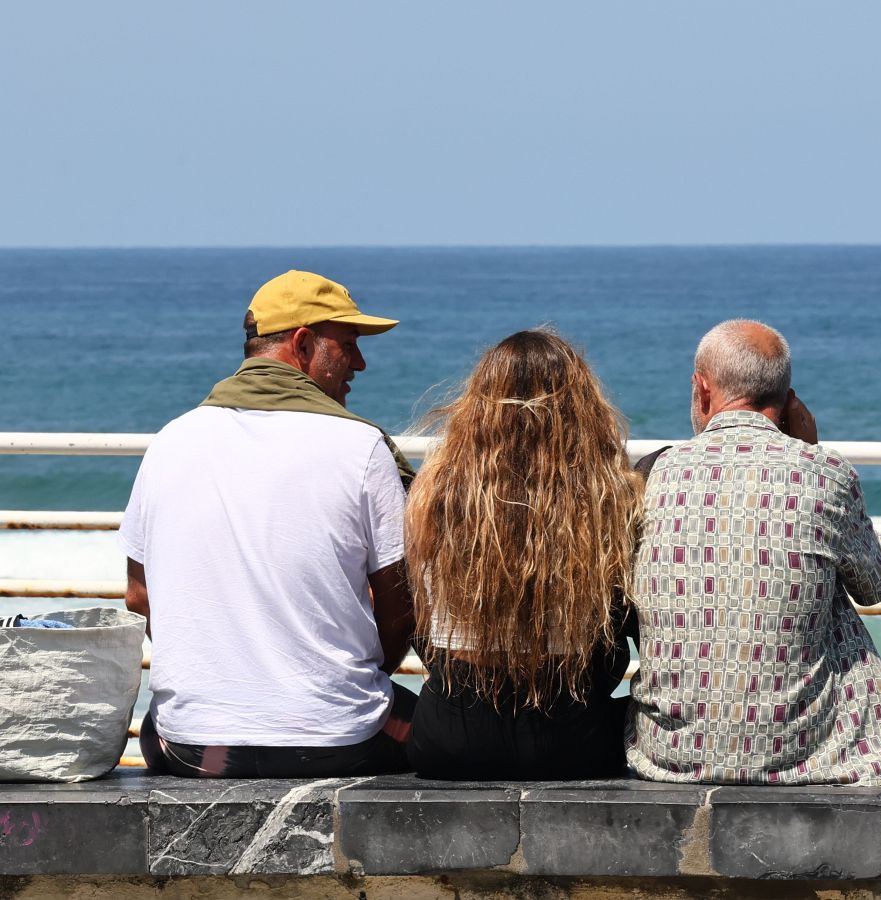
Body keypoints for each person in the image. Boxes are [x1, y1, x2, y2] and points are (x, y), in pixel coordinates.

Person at [120, 270, 418, 778]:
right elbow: (402, 603)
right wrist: (353, 683)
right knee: (439, 729)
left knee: (159, 727)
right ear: (303, 344)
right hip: (341, 744)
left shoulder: (171, 440)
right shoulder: (362, 448)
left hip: (198, 753)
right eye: (348, 344)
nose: (360, 363)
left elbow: (139, 598)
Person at [626, 319, 881, 790]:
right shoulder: (823, 473)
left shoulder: (653, 477)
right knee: (830, 591)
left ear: (702, 389)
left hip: (669, 754)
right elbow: (875, 584)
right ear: (790, 400)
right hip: (796, 752)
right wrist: (811, 452)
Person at [404, 329, 644, 780]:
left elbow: (422, 625)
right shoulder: (606, 494)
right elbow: (623, 624)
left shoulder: (434, 488)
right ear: (581, 406)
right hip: (572, 741)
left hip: (448, 738)